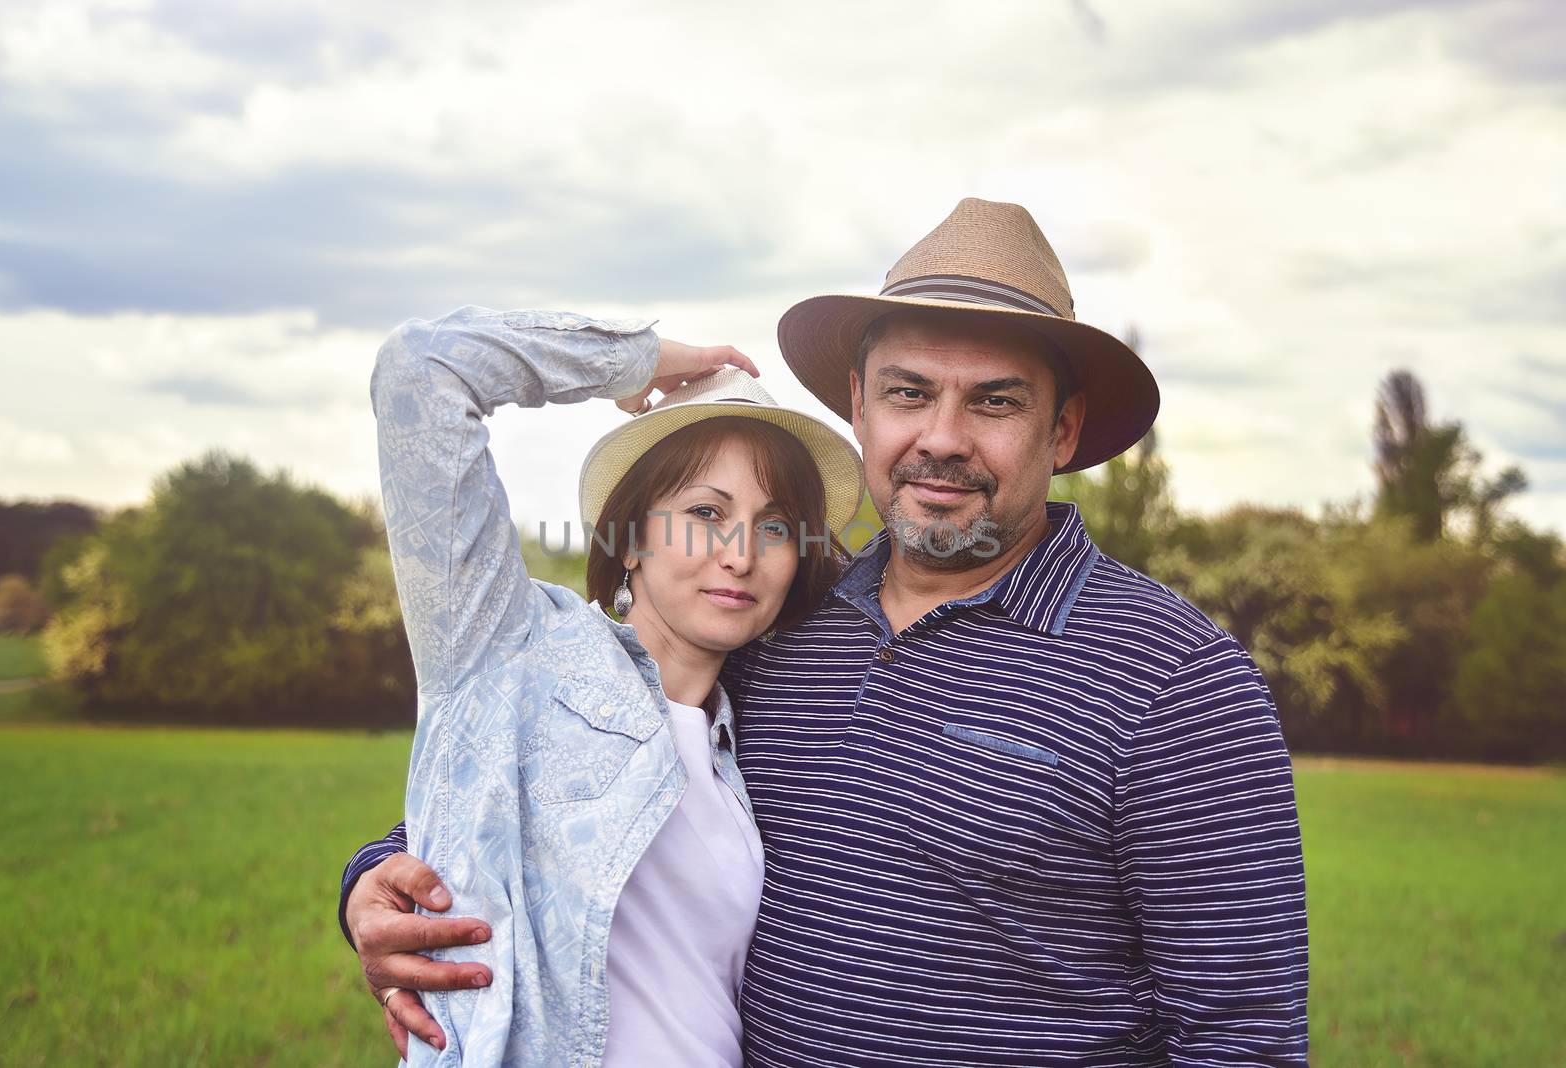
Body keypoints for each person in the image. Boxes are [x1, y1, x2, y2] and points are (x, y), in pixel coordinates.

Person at [342, 200, 1310, 1066]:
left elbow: (1241, 1037)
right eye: (906, 392)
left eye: (995, 401)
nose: (941, 436)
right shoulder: (781, 620)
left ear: (1061, 432)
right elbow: (545, 775)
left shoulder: (1175, 679)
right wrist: (377, 887)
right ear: (857, 405)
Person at [357, 304, 864, 1066]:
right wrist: (642, 357)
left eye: (775, 526)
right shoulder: (509, 648)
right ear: (628, 539)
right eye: (705, 512)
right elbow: (421, 369)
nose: (739, 554)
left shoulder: (748, 733)